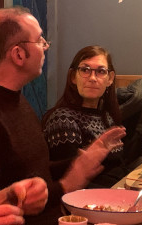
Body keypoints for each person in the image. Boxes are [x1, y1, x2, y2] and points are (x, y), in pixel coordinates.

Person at [0, 6, 126, 225]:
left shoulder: (18, 101)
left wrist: (79, 163)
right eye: (40, 41)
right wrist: (69, 182)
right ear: (19, 54)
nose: (46, 47)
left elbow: (33, 170)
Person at [42, 46, 128, 188]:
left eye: (101, 71)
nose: (93, 78)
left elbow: (118, 166)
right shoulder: (63, 119)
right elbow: (70, 183)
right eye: (85, 70)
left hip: (119, 192)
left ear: (110, 79)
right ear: (73, 77)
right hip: (90, 203)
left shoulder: (107, 116)